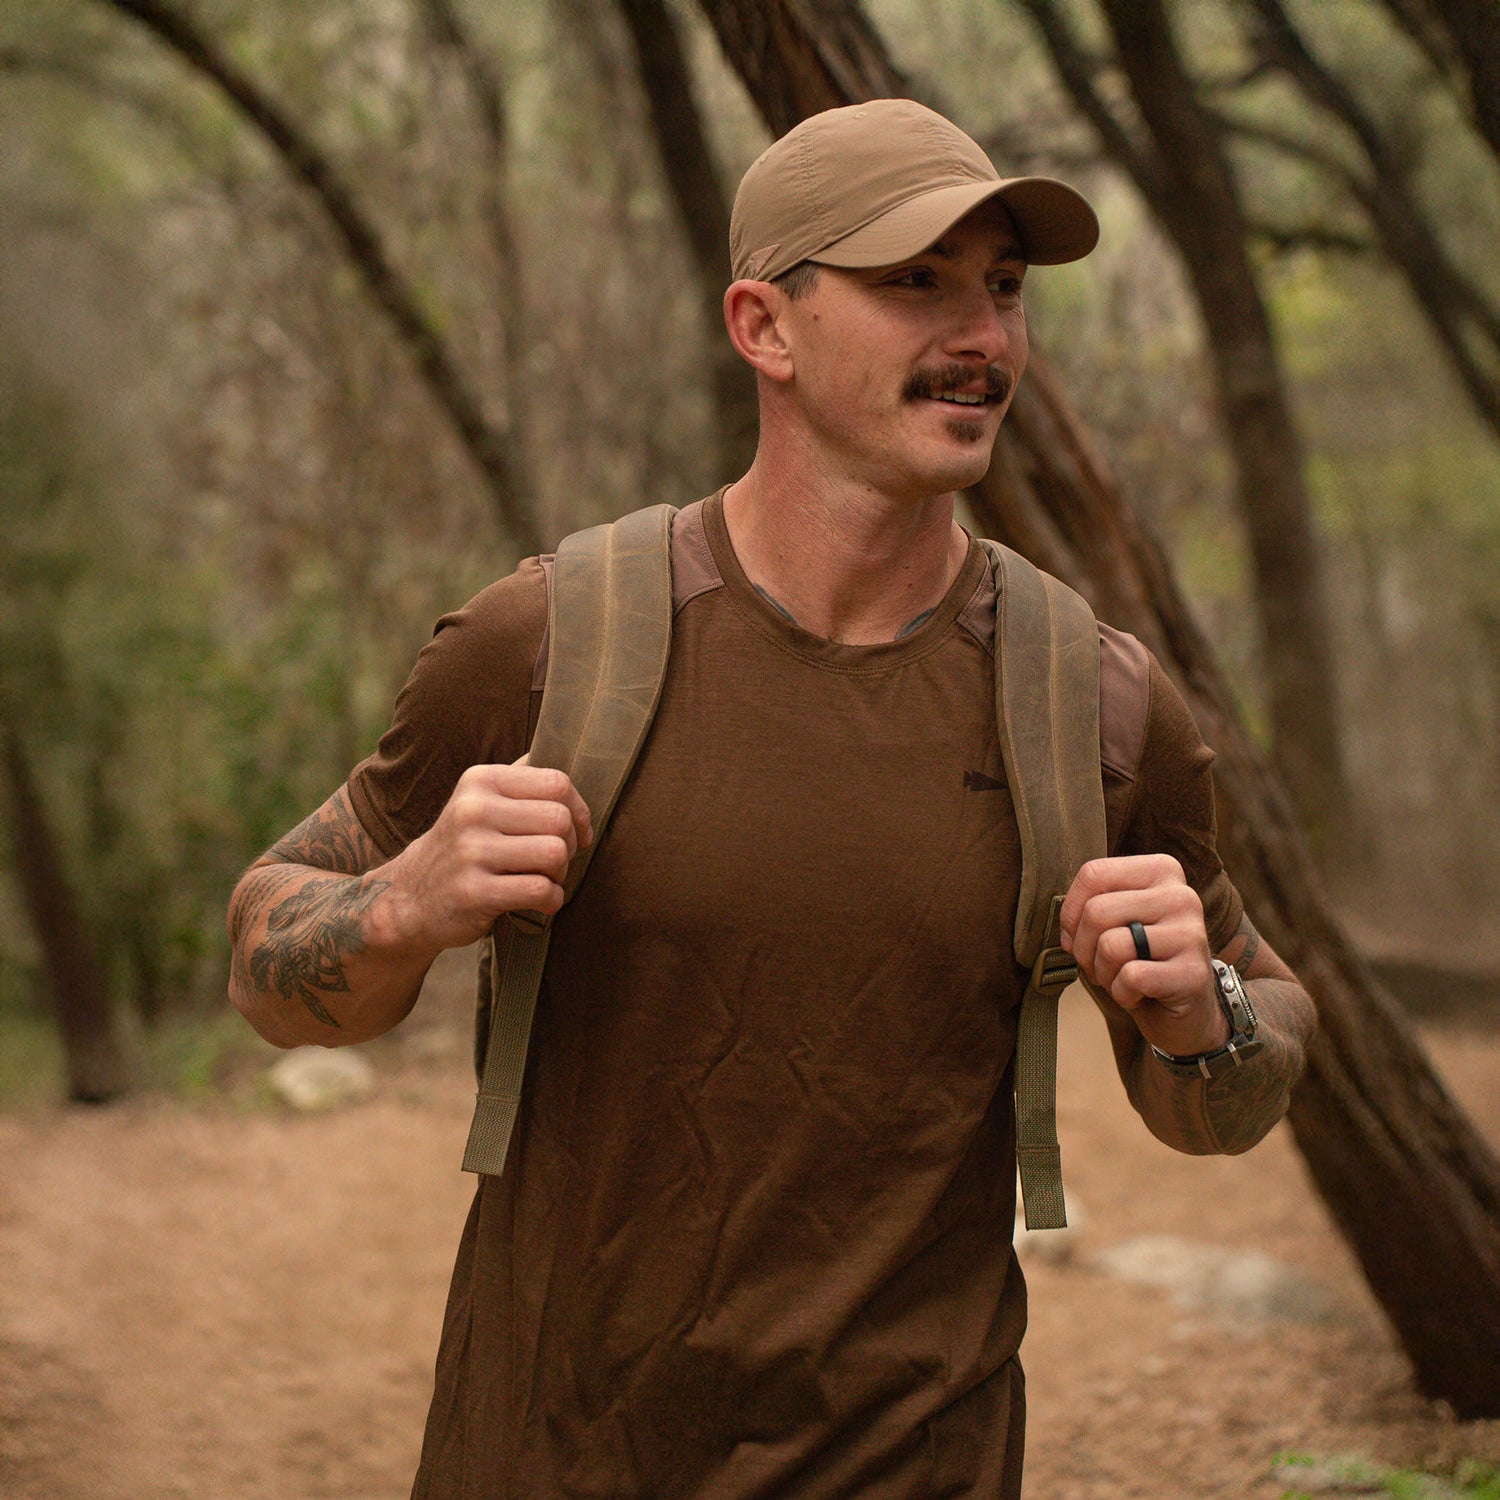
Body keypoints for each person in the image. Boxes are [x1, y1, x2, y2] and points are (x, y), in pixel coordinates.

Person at [228, 99, 1316, 1500]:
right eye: (915, 281)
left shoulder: (1089, 703)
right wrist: (405, 903)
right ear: (765, 326)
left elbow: (1237, 1086)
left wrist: (1198, 1015)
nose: (980, 334)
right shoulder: (557, 642)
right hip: (549, 1457)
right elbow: (267, 954)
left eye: (1002, 287)